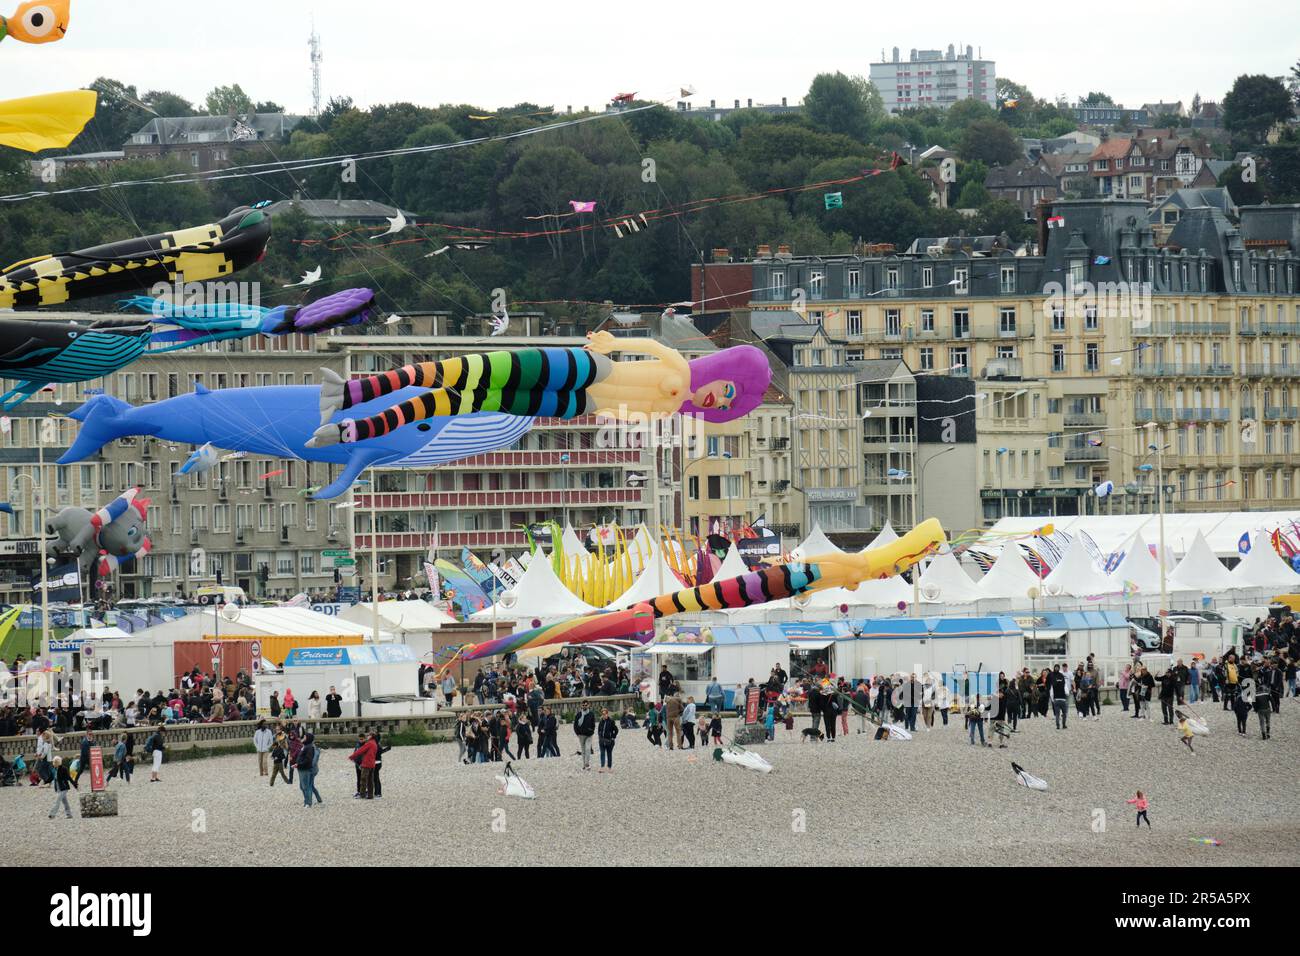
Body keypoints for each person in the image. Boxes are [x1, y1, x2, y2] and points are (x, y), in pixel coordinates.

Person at [296, 732, 323, 807]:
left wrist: (310, 768)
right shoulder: (305, 746)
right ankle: (318, 799)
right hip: (308, 768)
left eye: (304, 737)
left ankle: (308, 802)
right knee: (310, 785)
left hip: (311, 769)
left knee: (308, 786)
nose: (303, 738)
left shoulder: (312, 747)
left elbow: (314, 760)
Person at [349, 732, 378, 798]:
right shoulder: (374, 743)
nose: (367, 736)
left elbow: (360, 750)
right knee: (370, 780)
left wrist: (351, 756)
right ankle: (370, 795)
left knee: (363, 780)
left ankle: (362, 795)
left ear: (371, 736)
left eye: (368, 735)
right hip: (372, 764)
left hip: (366, 764)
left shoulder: (369, 743)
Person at [573, 702, 596, 770]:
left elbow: (593, 724)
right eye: (583, 705)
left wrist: (591, 730)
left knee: (588, 749)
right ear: (581, 706)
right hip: (581, 735)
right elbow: (575, 725)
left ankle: (587, 763)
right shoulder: (579, 714)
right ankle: (584, 764)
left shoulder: (591, 714)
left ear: (588, 705)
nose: (584, 706)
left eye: (586, 705)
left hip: (589, 735)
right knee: (583, 750)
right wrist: (577, 733)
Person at [597, 708, 618, 773]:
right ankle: (602, 767)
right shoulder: (601, 721)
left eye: (605, 714)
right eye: (603, 714)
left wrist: (613, 737)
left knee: (609, 754)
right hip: (602, 740)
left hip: (609, 741)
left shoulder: (611, 721)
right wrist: (600, 737)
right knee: (602, 753)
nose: (604, 715)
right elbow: (599, 730)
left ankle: (609, 767)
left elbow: (616, 730)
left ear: (607, 714)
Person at [1048, 665, 1068, 730]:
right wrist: (1066, 697)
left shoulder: (1053, 685)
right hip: (1063, 699)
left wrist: (1053, 699)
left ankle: (1058, 726)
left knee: (1057, 714)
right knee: (1064, 713)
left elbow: (1051, 693)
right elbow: (1067, 692)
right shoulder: (1064, 684)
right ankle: (1064, 725)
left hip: (1056, 699)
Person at [372, 732, 392, 797]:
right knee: (376, 778)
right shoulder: (377, 744)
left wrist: (387, 749)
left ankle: (378, 793)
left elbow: (378, 752)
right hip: (378, 763)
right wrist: (387, 749)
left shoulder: (375, 744)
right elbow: (381, 752)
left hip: (375, 763)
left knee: (375, 778)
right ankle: (377, 792)